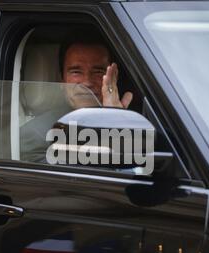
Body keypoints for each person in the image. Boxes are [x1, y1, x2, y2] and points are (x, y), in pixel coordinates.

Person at [20, 27, 133, 162]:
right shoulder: (36, 135)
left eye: (98, 71)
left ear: (114, 78)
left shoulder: (132, 121)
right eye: (76, 72)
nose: (87, 82)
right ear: (61, 80)